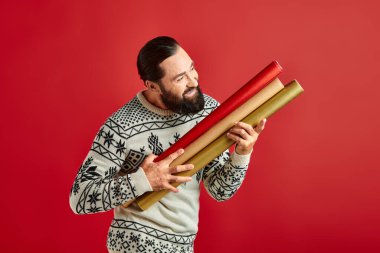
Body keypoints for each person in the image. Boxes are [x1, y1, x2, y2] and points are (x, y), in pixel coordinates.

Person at [69, 36, 266, 253]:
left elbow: (220, 191)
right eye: (180, 78)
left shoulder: (207, 111)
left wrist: (242, 153)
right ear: (153, 86)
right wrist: (144, 180)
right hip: (133, 246)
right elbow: (80, 198)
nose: (193, 81)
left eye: (192, 68)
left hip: (182, 247)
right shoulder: (121, 127)